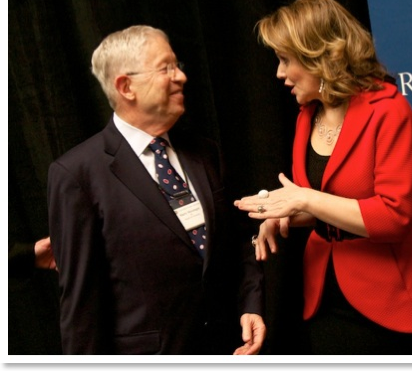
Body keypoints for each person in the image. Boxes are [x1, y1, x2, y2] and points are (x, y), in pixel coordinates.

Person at [234, 0, 412, 355]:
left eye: (285, 60)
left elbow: (394, 217)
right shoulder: (306, 116)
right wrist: (284, 214)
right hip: (325, 295)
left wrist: (304, 197)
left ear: (318, 55)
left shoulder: (388, 110)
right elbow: (328, 210)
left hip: (391, 298)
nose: (279, 73)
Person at [47, 25, 265, 355]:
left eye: (178, 66)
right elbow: (82, 308)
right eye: (166, 68)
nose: (181, 77)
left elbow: (239, 240)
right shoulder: (77, 175)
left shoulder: (205, 153)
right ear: (126, 86)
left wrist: (252, 303)